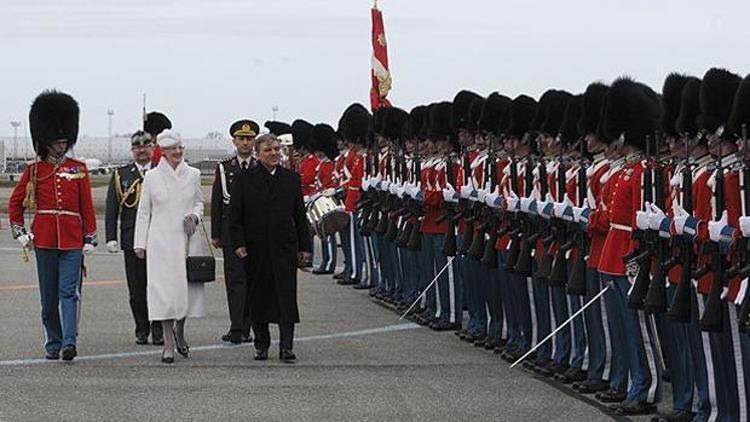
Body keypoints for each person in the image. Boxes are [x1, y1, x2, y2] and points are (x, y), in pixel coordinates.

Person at [8, 90, 97, 362]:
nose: (61, 145)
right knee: (48, 301)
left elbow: (86, 206)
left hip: (71, 240)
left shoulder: (78, 168)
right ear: (46, 141)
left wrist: (90, 236)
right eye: (57, 141)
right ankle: (54, 341)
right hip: (44, 240)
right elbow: (15, 204)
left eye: (64, 140)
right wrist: (20, 232)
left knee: (68, 293)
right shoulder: (33, 171)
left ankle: (70, 342)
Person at [230, 134, 312, 363]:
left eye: (277, 149)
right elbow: (235, 217)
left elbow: (299, 216)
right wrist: (238, 243)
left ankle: (286, 346)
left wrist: (304, 247)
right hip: (255, 248)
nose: (275, 153)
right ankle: (261, 344)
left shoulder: (291, 179)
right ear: (258, 153)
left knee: (286, 297)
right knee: (259, 297)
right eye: (269, 150)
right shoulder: (245, 179)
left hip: (284, 247)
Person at [133, 130, 206, 364]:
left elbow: (199, 203)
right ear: (162, 152)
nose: (177, 152)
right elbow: (144, 211)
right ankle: (167, 340)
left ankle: (180, 330)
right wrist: (139, 243)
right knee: (163, 292)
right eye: (172, 148)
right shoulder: (152, 177)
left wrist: (194, 217)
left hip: (186, 238)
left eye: (180, 147)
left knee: (186, 291)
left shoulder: (193, 174)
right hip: (161, 241)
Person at [104, 130, 163, 345]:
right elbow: (112, 208)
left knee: (157, 286)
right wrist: (111, 237)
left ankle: (158, 329)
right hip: (131, 239)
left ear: (153, 147)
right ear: (132, 150)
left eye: (146, 145)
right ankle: (142, 328)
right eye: (137, 146)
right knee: (137, 289)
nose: (141, 149)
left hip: (158, 238)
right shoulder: (122, 174)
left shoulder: (161, 171)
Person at [211, 119, 258, 344]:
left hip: (256, 235)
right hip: (231, 235)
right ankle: (237, 327)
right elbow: (217, 202)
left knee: (255, 282)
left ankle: (251, 326)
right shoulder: (224, 168)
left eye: (249, 139)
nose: (245, 143)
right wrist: (216, 234)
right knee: (235, 282)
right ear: (234, 141)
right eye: (241, 139)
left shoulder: (260, 166)